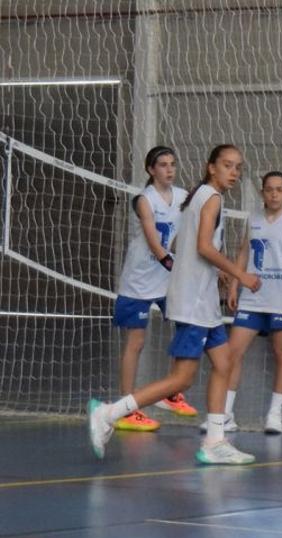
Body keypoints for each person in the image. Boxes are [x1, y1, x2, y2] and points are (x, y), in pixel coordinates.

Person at [88, 144, 262, 465]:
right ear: (212, 167)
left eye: (238, 166)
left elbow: (188, 245)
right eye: (227, 165)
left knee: (223, 365)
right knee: (182, 379)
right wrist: (240, 274)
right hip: (194, 302)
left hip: (202, 299)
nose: (234, 172)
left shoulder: (195, 195)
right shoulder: (210, 197)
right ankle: (109, 413)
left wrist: (218, 275)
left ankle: (214, 441)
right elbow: (204, 247)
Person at [111, 146, 197, 432]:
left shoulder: (184, 197)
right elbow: (154, 243)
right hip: (139, 280)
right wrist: (177, 266)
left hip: (167, 280)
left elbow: (187, 233)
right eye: (163, 164)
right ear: (151, 170)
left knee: (185, 326)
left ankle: (171, 392)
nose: (169, 169)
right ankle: (127, 407)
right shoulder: (143, 200)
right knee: (136, 343)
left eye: (173, 164)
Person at [218, 171, 282, 435]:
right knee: (232, 353)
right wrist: (234, 284)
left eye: (279, 189)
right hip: (253, 297)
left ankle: (274, 413)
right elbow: (244, 253)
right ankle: (225, 414)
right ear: (262, 193)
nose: (274, 194)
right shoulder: (254, 219)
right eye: (269, 189)